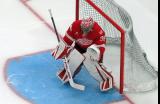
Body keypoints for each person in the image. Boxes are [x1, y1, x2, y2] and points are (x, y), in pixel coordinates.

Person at [52, 17, 113, 91]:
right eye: (83, 30)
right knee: (74, 58)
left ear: (91, 27)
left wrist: (96, 57)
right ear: (81, 25)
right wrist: (62, 49)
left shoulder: (98, 31)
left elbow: (101, 47)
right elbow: (67, 41)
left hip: (92, 50)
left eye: (87, 31)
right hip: (79, 47)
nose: (84, 33)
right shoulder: (74, 25)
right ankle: (68, 73)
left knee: (90, 64)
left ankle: (106, 79)